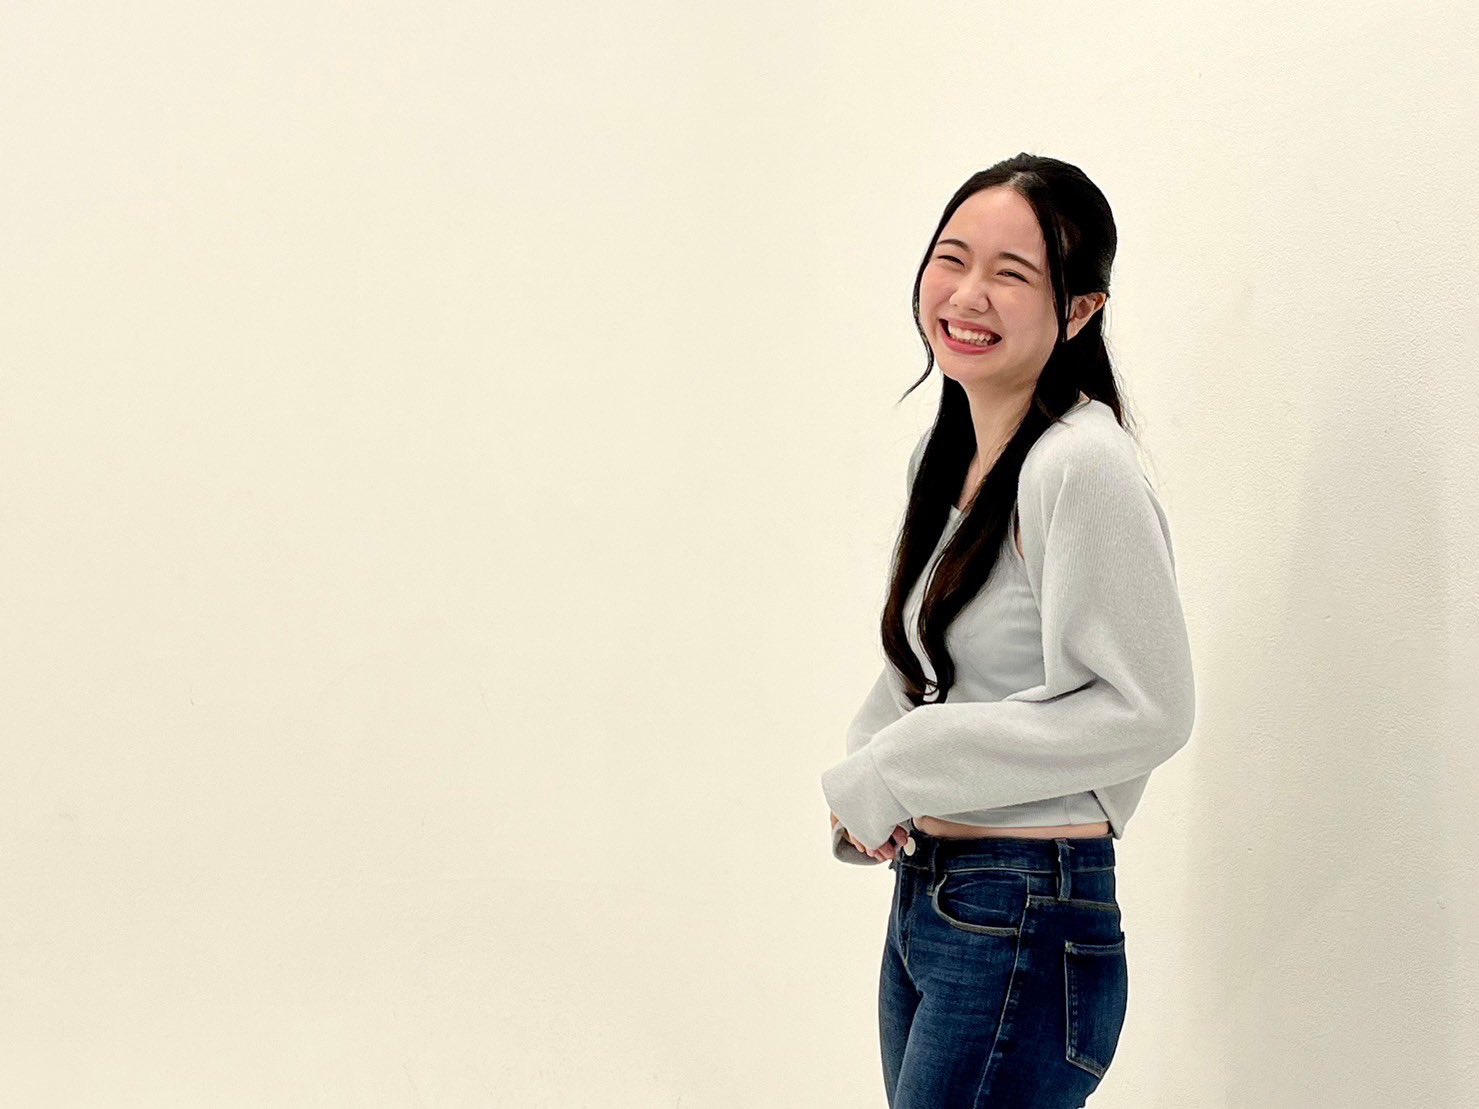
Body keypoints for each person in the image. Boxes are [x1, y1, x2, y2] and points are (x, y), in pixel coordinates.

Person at [819, 153, 1197, 1108]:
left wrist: (900, 765)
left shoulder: (1081, 463)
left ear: (1079, 310)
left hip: (1025, 902)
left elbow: (1148, 709)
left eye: (1012, 273)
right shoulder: (946, 451)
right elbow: (927, 661)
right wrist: (869, 771)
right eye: (951, 258)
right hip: (938, 895)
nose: (967, 294)